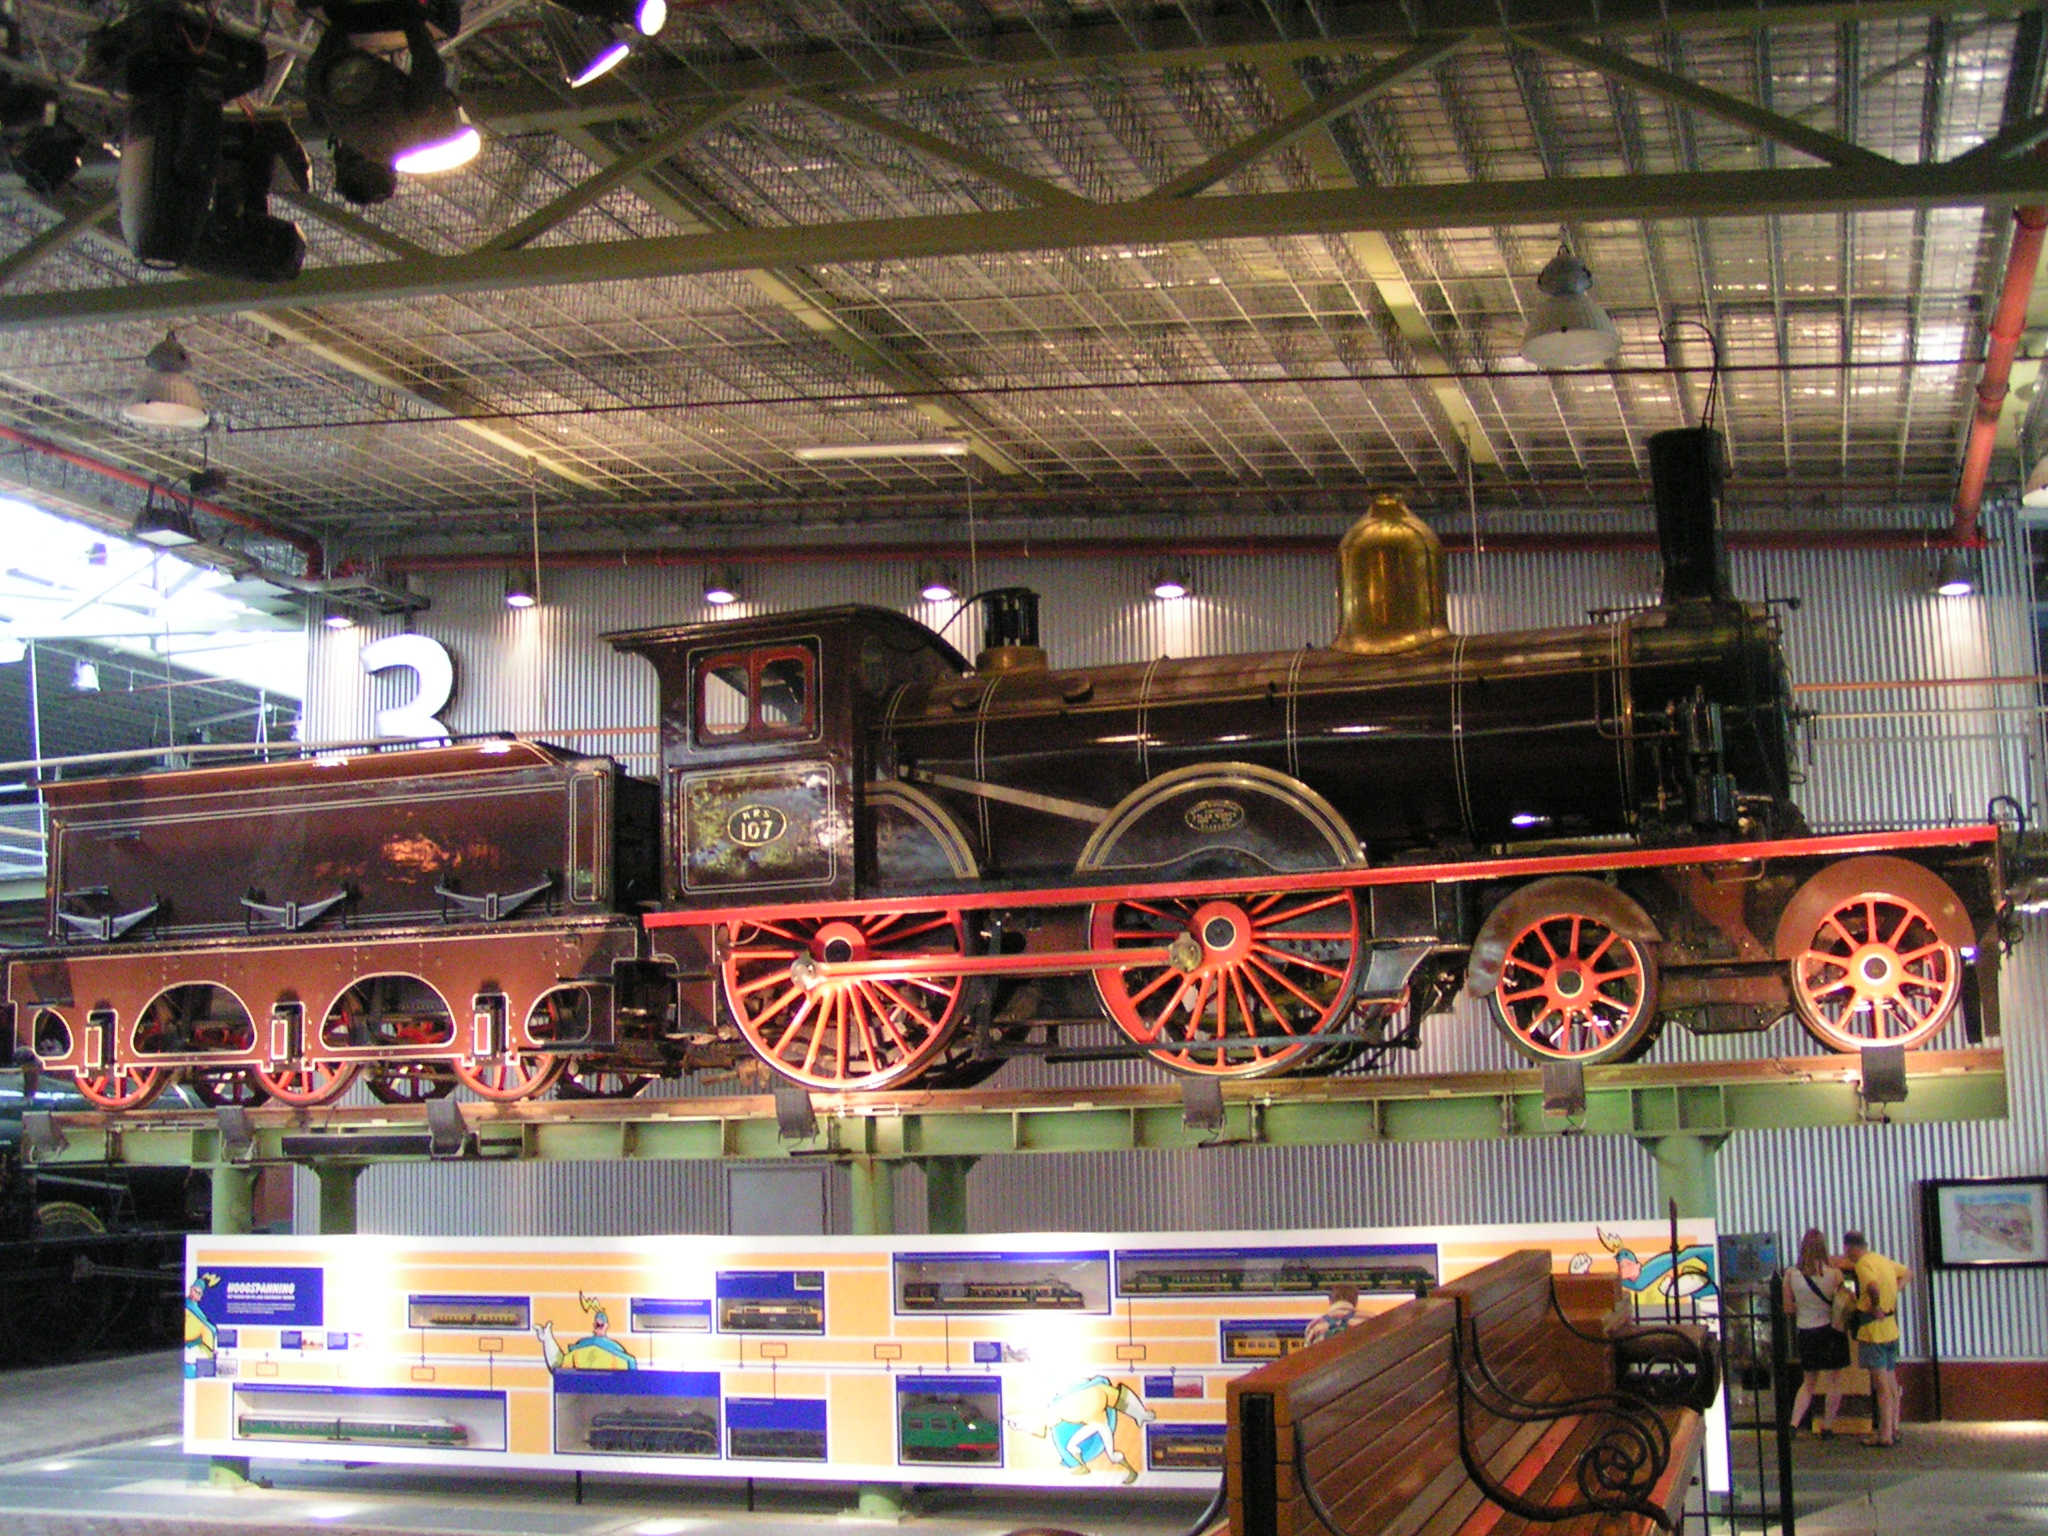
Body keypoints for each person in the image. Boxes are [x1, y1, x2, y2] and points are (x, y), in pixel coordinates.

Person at [1838, 1230, 1911, 1448]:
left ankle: (1884, 1435)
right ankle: (1894, 1428)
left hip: (1873, 1331)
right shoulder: (1882, 1260)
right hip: (1890, 1329)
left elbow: (1872, 1286)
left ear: (1849, 1247)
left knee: (1880, 1387)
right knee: (1891, 1382)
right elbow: (1908, 1273)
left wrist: (1876, 1305)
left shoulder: (1863, 1265)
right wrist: (1895, 1291)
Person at [1782, 1228, 1847, 1436]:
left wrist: (1804, 1307)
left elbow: (1788, 1308)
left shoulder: (1791, 1275)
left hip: (1806, 1331)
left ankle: (1793, 1425)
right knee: (1833, 1381)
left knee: (1808, 1382)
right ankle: (1827, 1427)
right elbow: (1843, 1302)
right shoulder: (1835, 1274)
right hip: (1831, 1331)